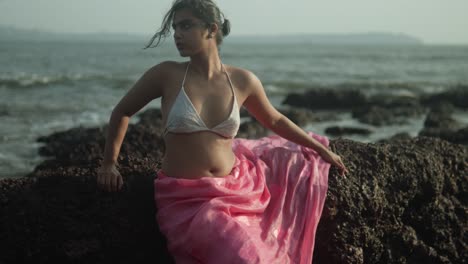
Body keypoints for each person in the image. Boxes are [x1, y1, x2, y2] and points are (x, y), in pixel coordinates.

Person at [97, 0, 348, 263]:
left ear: (211, 29)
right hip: (186, 201)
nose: (177, 35)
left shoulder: (242, 80)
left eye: (186, 25)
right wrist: (109, 164)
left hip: (237, 191)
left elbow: (274, 120)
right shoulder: (167, 74)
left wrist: (319, 149)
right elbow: (122, 111)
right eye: (175, 28)